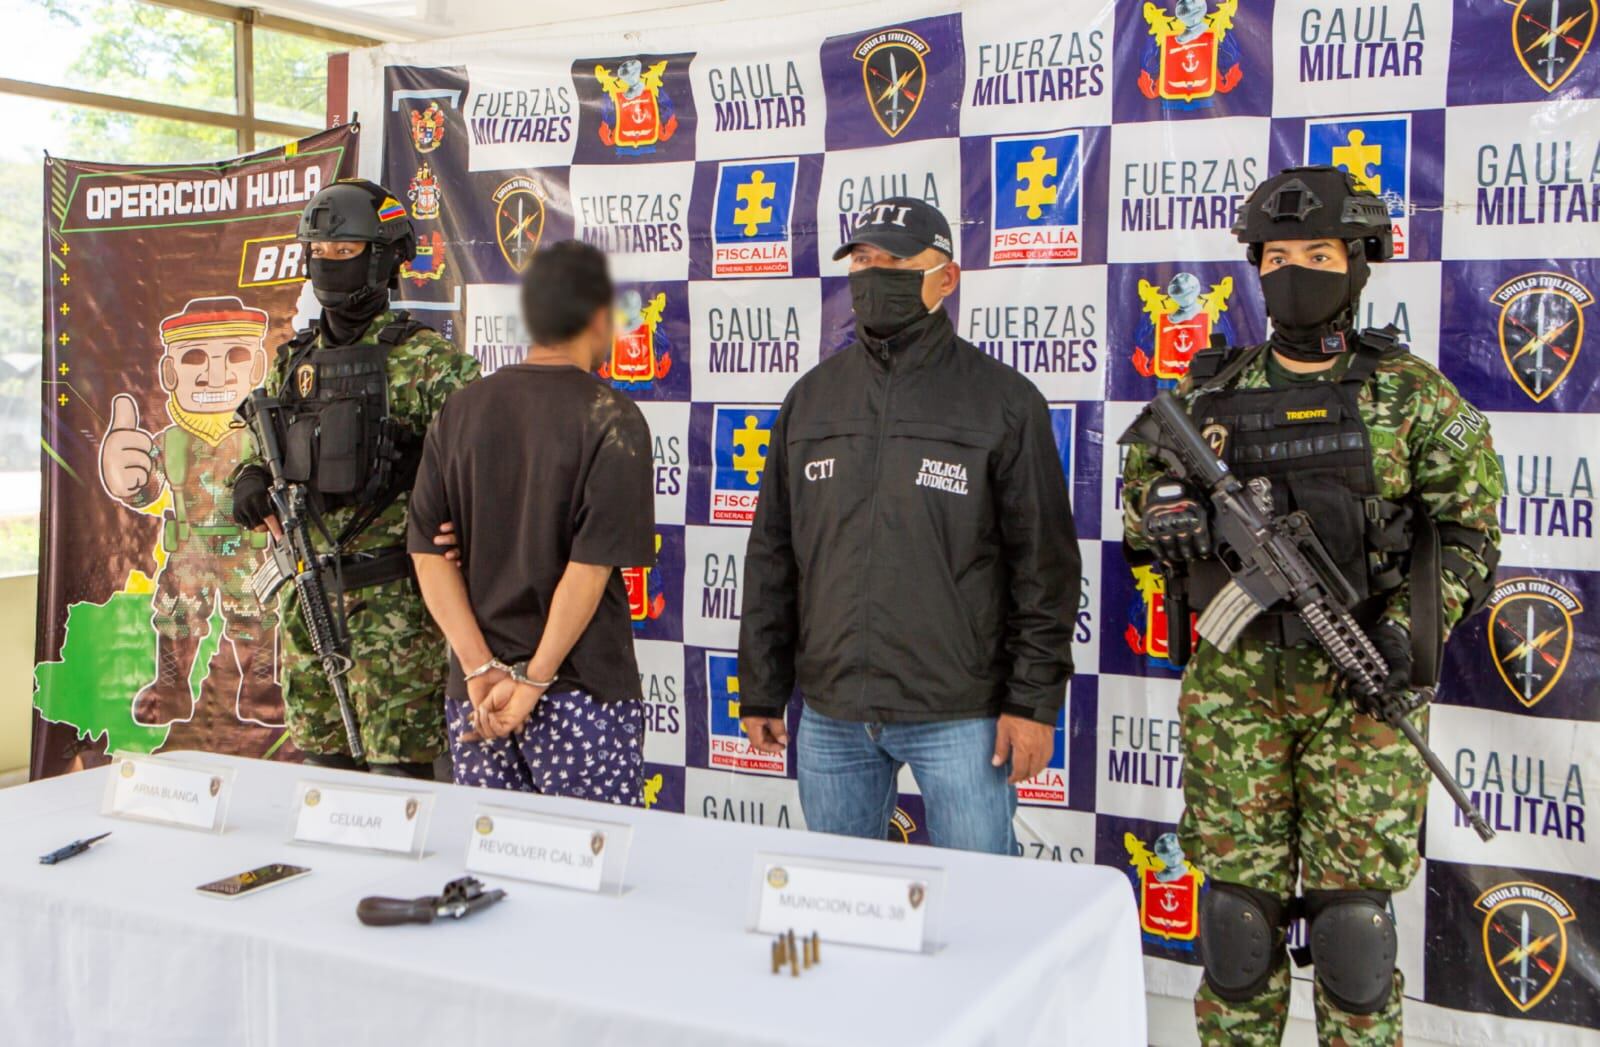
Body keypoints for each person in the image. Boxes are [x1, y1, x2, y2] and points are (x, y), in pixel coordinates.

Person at [1120, 165, 1503, 1046]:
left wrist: (1408, 628)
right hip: (1234, 697)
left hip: (1364, 697)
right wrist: (1165, 507)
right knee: (1238, 928)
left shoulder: (1412, 396)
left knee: (1351, 934)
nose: (1296, 271)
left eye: (1320, 253)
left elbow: (1471, 533)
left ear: (1358, 262)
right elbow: (1144, 497)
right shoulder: (1209, 396)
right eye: (1279, 254)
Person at [737, 197, 1081, 855]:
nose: (874, 273)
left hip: (961, 713)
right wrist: (762, 686)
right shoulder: (811, 400)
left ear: (946, 277)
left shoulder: (1004, 402)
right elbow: (772, 554)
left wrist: (1033, 704)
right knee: (838, 901)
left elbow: (1046, 570)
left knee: (985, 901)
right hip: (833, 711)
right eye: (863, 260)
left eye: (894, 260)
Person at [229, 179, 480, 778]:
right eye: (318, 252)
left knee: (403, 783)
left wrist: (451, 512)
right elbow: (256, 447)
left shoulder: (427, 363)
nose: (328, 265)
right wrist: (247, 480)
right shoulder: (296, 362)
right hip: (308, 599)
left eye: (345, 253)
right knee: (322, 775)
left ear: (386, 258)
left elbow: (488, 462)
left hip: (394, 607)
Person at [407, 241, 654, 804]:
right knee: (590, 871)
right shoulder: (612, 419)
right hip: (579, 693)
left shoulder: (460, 410)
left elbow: (426, 553)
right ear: (597, 316)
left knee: (493, 873)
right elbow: (587, 570)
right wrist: (532, 680)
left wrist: (479, 669)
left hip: (477, 696)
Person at [98, 296, 282, 729]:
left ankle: (260, 684)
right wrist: (128, 476)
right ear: (169, 373)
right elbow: (148, 488)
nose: (214, 373)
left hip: (251, 549)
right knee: (177, 615)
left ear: (257, 369)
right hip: (189, 549)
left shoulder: (264, 435)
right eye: (195, 357)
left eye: (233, 356)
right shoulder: (170, 440)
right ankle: (171, 687)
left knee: (257, 614)